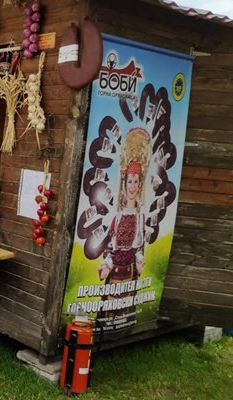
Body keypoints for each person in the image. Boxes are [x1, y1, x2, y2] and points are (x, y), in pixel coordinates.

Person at [97, 128, 150, 334]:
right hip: (114, 271)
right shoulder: (117, 215)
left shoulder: (140, 216)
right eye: (130, 181)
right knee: (110, 304)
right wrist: (106, 265)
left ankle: (120, 331)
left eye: (136, 181)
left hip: (129, 272)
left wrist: (139, 260)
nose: (132, 186)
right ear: (124, 182)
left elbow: (138, 246)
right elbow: (110, 246)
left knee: (124, 304)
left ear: (140, 184)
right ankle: (106, 329)